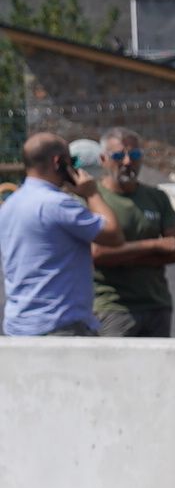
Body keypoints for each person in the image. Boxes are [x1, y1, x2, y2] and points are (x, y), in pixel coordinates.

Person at [4, 129, 110, 338]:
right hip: (61, 326)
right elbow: (113, 234)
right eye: (71, 161)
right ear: (57, 162)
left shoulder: (9, 205)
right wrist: (92, 193)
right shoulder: (58, 204)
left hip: (19, 327)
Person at [89, 129, 175, 337]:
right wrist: (154, 246)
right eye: (118, 156)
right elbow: (97, 255)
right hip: (113, 308)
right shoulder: (92, 199)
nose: (127, 162)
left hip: (156, 305)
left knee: (158, 369)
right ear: (103, 159)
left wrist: (120, 255)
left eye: (134, 156)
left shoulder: (157, 198)